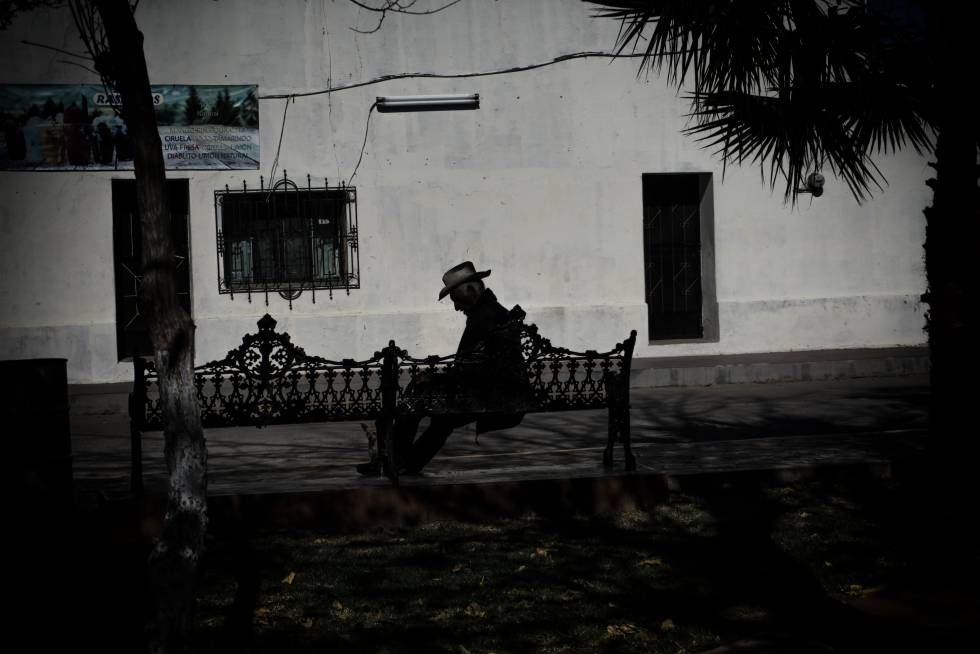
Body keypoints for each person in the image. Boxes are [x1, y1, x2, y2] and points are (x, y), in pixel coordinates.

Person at [357, 261, 529, 476]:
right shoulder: (490, 311)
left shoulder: (484, 317)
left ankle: (393, 460)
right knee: (442, 420)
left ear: (470, 289)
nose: (456, 307)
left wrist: (434, 379)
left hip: (491, 393)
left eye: (456, 299)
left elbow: (469, 369)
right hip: (499, 389)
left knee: (415, 400)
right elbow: (473, 364)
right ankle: (404, 463)